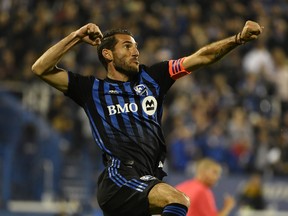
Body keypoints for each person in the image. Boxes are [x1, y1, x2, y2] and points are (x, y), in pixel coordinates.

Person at [31, 20, 262, 216]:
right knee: (178, 200)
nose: (136, 51)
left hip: (148, 177)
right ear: (107, 54)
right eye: (127, 46)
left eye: (136, 46)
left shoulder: (153, 77)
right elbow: (41, 68)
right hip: (119, 178)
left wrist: (238, 39)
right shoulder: (91, 89)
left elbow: (201, 58)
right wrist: (77, 36)